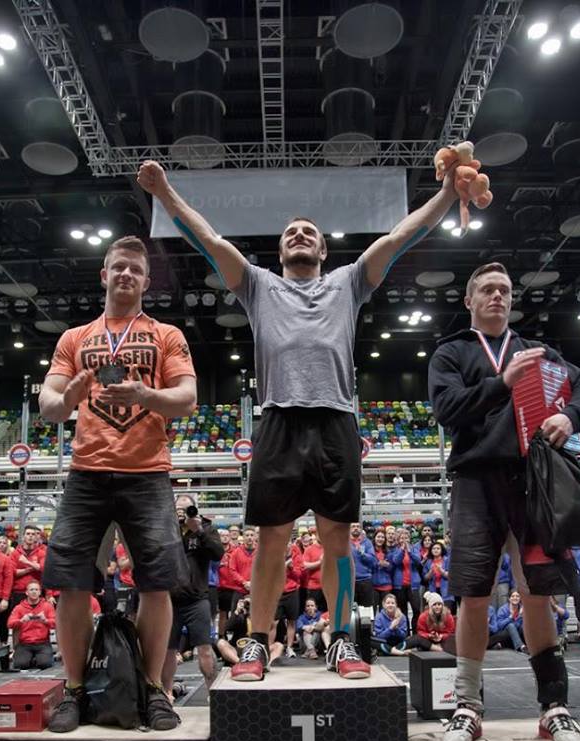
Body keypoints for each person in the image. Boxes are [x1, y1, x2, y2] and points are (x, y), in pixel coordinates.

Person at [138, 157, 459, 682]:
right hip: (279, 420)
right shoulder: (258, 285)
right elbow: (208, 240)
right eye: (291, 233)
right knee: (272, 540)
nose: (300, 235)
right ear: (281, 251)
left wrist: (446, 193)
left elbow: (402, 236)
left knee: (338, 540)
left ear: (324, 250)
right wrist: (165, 192)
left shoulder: (349, 282)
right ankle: (258, 642)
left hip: (336, 419)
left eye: (309, 232)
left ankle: (340, 639)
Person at [429, 260, 580, 741]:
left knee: (537, 593)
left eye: (504, 290)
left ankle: (554, 708)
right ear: (469, 300)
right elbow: (446, 409)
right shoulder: (451, 352)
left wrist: (570, 418)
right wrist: (502, 383)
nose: (498, 297)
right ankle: (467, 706)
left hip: (534, 482)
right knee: (474, 595)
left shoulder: (537, 352)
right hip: (476, 482)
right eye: (488, 289)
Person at [39, 234, 196, 732]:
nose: (126, 274)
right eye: (119, 267)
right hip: (86, 473)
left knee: (157, 584)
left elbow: (187, 397)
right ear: (104, 275)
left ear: (147, 282)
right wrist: (69, 398)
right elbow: (48, 407)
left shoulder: (166, 334)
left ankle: (153, 690)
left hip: (148, 473)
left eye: (135, 269)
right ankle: (74, 689)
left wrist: (145, 395)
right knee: (71, 584)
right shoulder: (74, 338)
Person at [162, 494, 224, 693]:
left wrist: (198, 531)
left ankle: (212, 692)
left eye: (186, 509)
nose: (182, 514)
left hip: (197, 599)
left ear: (194, 510)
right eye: (178, 510)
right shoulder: (167, 529)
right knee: (168, 650)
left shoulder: (206, 528)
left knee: (204, 648)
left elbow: (218, 553)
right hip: (170, 599)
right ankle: (167, 693)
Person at [8, 580, 56, 670]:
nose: (34, 592)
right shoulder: (19, 607)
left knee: (45, 664)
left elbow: (55, 623)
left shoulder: (47, 606)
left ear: (40, 592)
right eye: (31, 590)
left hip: (42, 643)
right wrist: (21, 620)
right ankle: (30, 658)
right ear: (26, 592)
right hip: (25, 643)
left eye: (36, 590)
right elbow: (10, 624)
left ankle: (37, 658)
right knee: (20, 665)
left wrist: (45, 620)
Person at [389, 529, 423, 631]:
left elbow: (418, 561)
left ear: (409, 539)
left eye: (406, 538)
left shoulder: (414, 549)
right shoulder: (395, 550)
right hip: (399, 585)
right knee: (402, 610)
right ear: (398, 540)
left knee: (416, 609)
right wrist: (402, 550)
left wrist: (409, 552)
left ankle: (416, 632)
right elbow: (396, 561)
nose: (404, 540)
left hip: (413, 585)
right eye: (402, 538)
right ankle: (406, 632)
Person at [350, 521, 376, 608]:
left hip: (365, 580)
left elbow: (372, 560)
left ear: (361, 529)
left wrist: (363, 554)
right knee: (350, 610)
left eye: (358, 526)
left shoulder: (367, 543)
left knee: (366, 609)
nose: (356, 528)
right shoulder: (345, 543)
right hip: (350, 581)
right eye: (353, 526)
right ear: (349, 529)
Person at [371, 528, 393, 611]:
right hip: (373, 585)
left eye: (382, 537)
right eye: (378, 537)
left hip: (386, 585)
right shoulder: (370, 551)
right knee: (372, 610)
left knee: (384, 610)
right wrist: (377, 564)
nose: (380, 539)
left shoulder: (388, 552)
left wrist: (387, 565)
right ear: (374, 538)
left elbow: (392, 568)